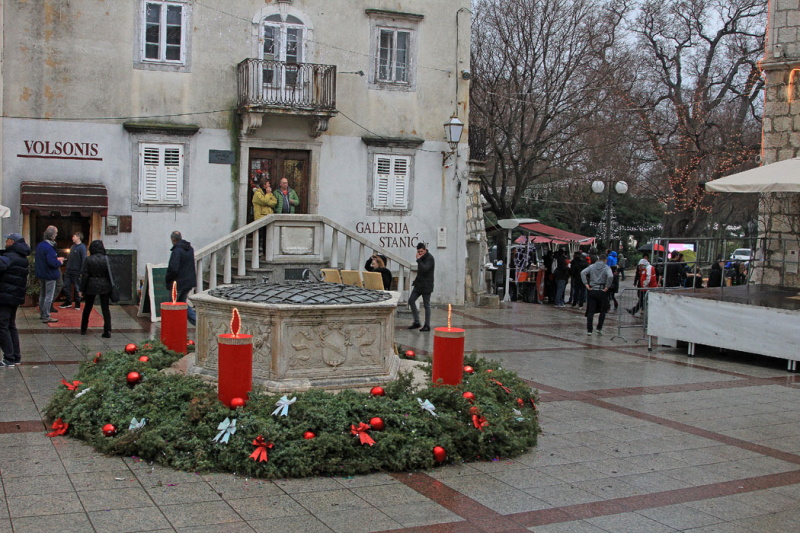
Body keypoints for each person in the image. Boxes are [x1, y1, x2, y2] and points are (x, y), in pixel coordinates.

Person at [0, 233, 31, 367]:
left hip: (4, 296)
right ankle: (16, 356)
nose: (5, 242)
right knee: (11, 325)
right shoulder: (22, 257)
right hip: (15, 296)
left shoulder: (9, 257)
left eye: (7, 240)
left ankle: (9, 358)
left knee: (2, 326)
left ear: (11, 242)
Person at [80, 240, 112, 338]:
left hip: (91, 285)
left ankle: (83, 329)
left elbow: (85, 275)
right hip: (104, 285)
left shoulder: (88, 259)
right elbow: (110, 274)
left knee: (88, 307)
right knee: (105, 308)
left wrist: (82, 289)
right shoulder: (106, 259)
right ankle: (107, 330)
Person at [166, 231, 197, 326]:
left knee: (172, 304)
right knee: (183, 303)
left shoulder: (177, 251)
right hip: (189, 281)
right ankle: (196, 321)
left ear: (173, 239)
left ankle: (172, 326)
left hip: (178, 283)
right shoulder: (190, 249)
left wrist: (168, 279)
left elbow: (173, 268)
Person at [35, 225, 64, 323]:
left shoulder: (40, 245)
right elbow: (51, 262)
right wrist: (59, 262)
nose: (56, 235)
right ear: (52, 235)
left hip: (41, 273)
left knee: (42, 294)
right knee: (49, 296)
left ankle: (42, 313)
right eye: (56, 233)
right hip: (50, 274)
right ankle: (46, 315)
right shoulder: (49, 247)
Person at [580, 253, 613, 335]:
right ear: (605, 260)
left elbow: (582, 273)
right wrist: (607, 286)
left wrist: (586, 284)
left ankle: (589, 330)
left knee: (590, 311)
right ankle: (599, 328)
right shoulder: (606, 267)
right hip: (602, 290)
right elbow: (610, 276)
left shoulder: (591, 266)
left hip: (592, 290)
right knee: (603, 310)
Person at [408, 242, 434, 332]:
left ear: (425, 250)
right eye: (418, 251)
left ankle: (427, 325)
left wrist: (418, 260)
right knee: (411, 300)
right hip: (419, 284)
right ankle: (417, 322)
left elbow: (424, 269)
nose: (420, 253)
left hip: (426, 285)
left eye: (421, 251)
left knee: (426, 305)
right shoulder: (421, 257)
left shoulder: (430, 258)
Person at [59, 232, 86, 310]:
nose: (72, 237)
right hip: (68, 270)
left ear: (78, 237)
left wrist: (81, 271)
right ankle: (68, 301)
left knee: (77, 287)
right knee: (66, 286)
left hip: (77, 271)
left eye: (74, 236)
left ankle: (77, 303)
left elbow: (83, 259)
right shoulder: (73, 246)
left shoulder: (82, 247)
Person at [251, 175, 277, 256]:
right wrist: (268, 194)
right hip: (260, 218)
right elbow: (265, 201)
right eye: (268, 184)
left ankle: (266, 252)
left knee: (267, 236)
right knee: (260, 236)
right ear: (264, 185)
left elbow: (274, 202)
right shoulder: (257, 194)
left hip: (267, 217)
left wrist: (268, 198)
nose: (269, 186)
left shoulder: (266, 193)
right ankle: (258, 252)